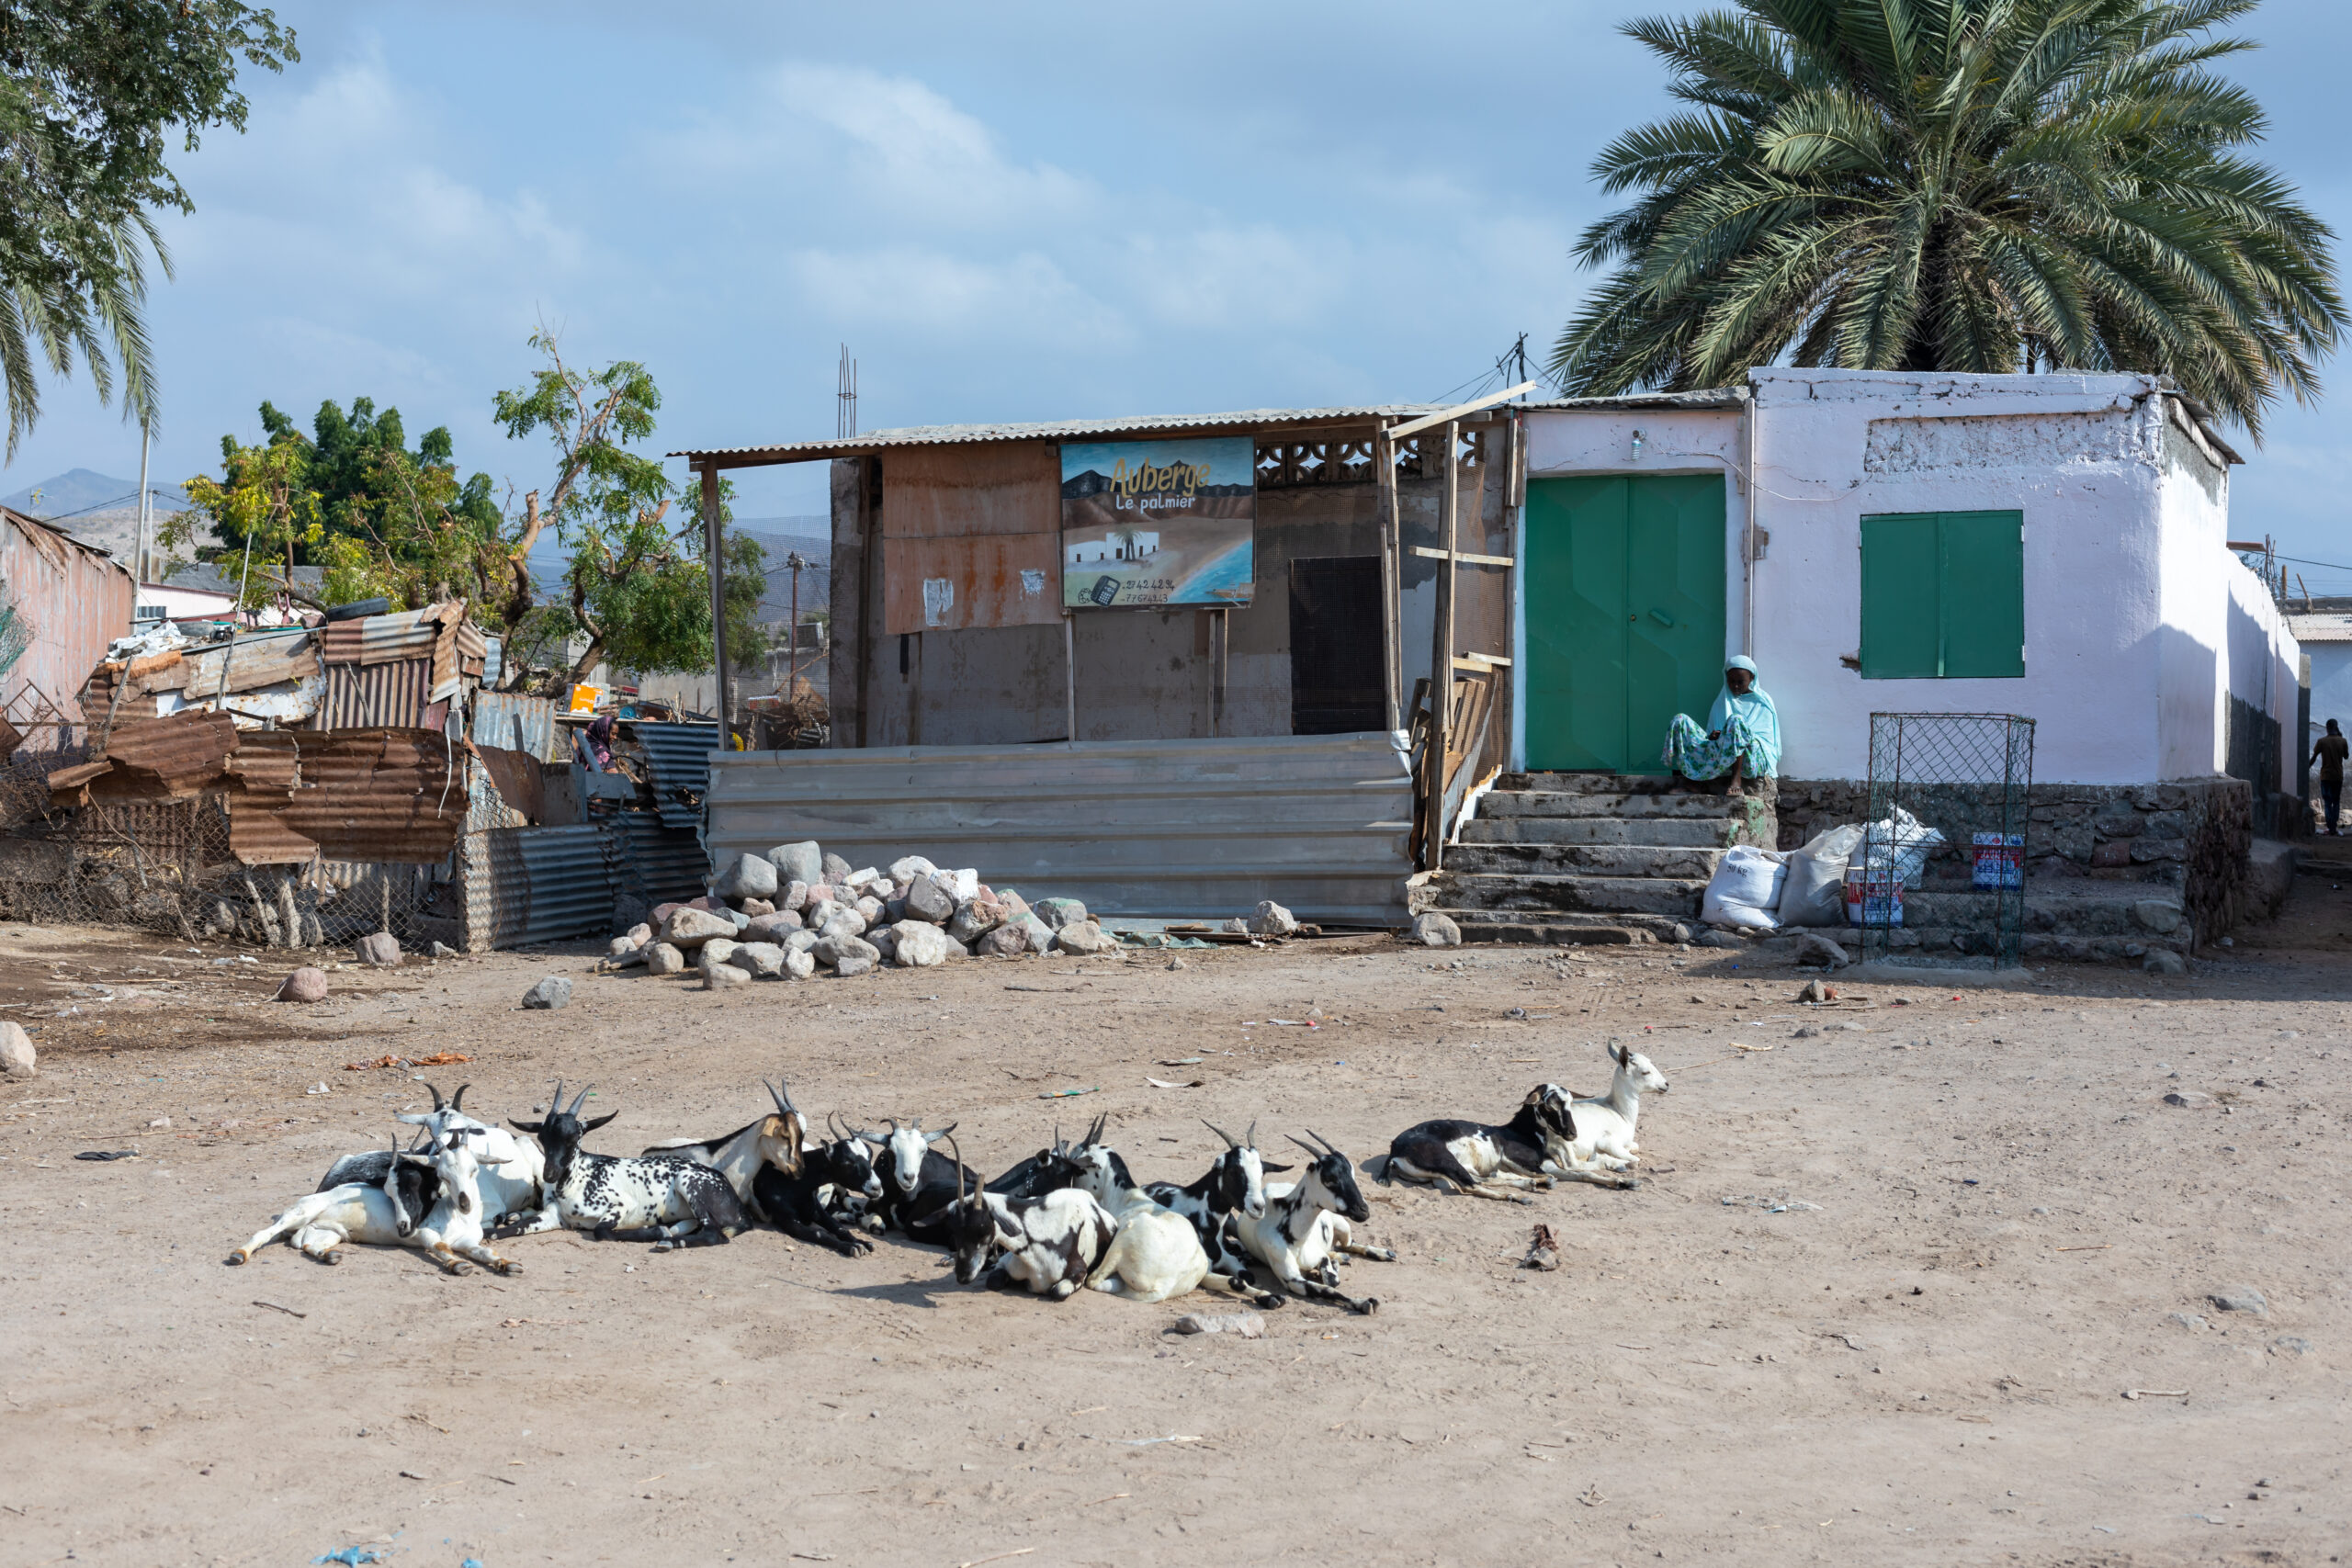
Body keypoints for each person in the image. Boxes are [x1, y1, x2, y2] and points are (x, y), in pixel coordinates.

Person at [1662, 655, 1781, 796]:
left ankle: (1736, 781)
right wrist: (1713, 736)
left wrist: (1731, 735)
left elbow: (1764, 742)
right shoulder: (1722, 701)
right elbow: (1710, 739)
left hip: (1752, 759)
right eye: (1731, 681)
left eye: (1740, 682)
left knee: (1736, 721)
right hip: (1721, 754)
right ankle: (1690, 782)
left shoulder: (1763, 702)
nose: (1735, 686)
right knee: (1680, 720)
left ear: (1752, 679)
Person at [2311, 719, 2348, 835]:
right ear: (2336, 727)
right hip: (2338, 776)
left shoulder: (2322, 741)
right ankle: (2334, 828)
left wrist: (2307, 766)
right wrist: (2341, 737)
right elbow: (2346, 757)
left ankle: (2330, 827)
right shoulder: (2342, 741)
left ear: (2327, 728)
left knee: (2327, 802)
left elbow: (2314, 757)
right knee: (2336, 801)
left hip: (2325, 776)